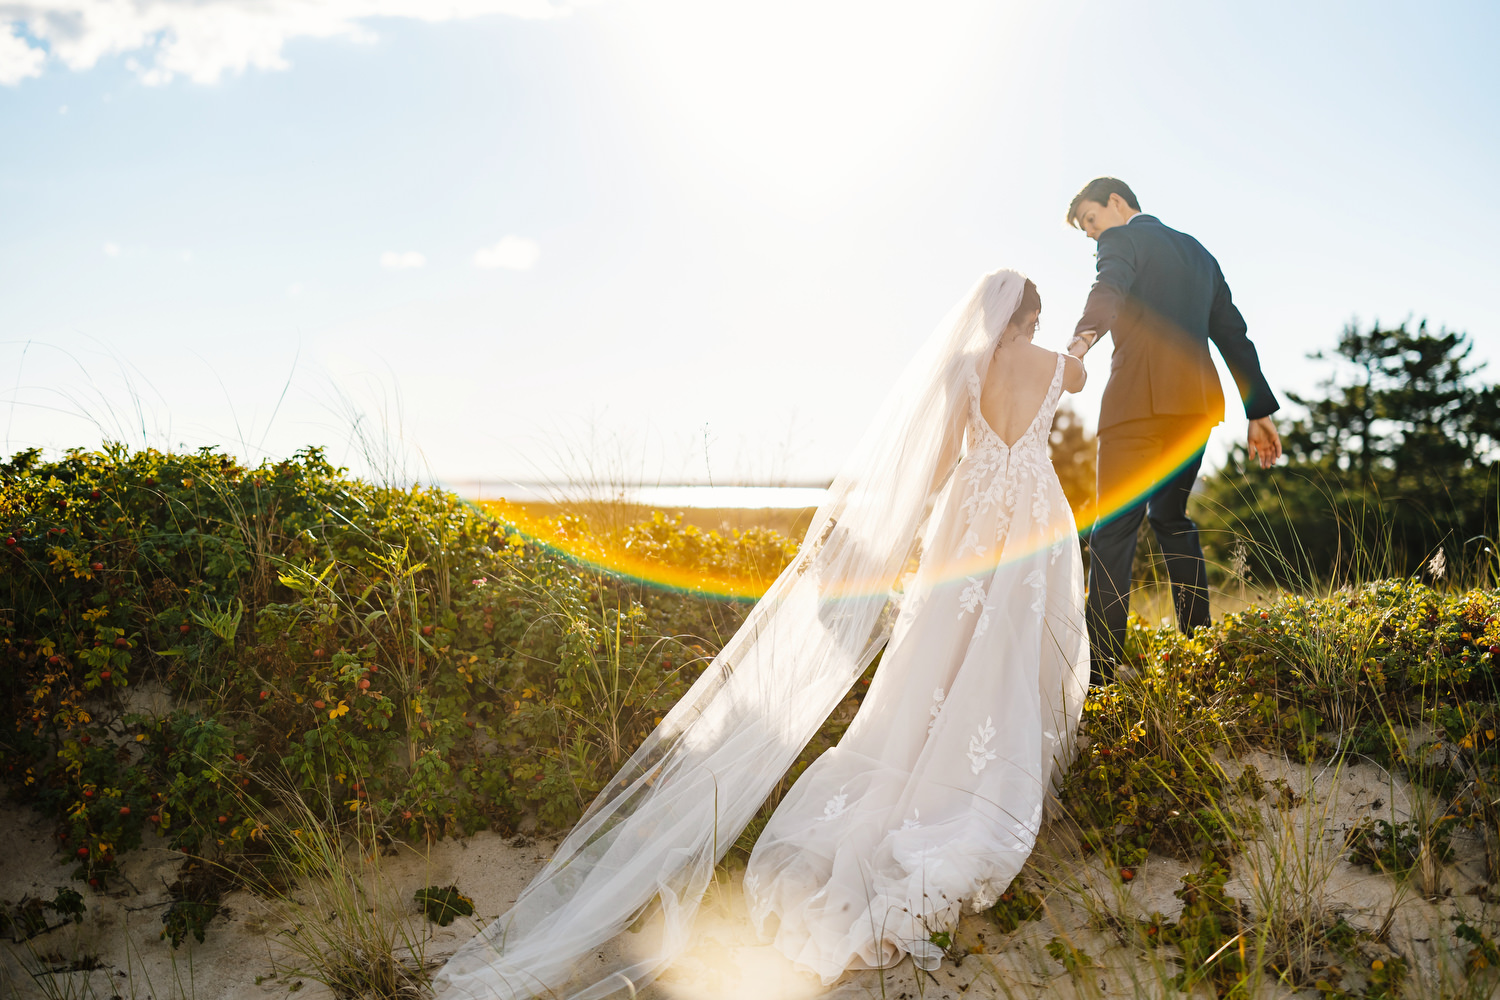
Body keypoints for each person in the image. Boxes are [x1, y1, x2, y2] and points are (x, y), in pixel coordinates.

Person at [433, 269, 1090, 999]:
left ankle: (926, 771)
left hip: (965, 521)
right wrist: (1085, 334)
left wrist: (881, 543)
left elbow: (933, 472)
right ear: (1031, 317)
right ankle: (994, 772)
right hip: (1030, 519)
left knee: (943, 654)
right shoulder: (1053, 364)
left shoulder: (961, 372)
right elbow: (1082, 375)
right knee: (1010, 646)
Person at [1064, 178, 1281, 685]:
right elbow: (1233, 333)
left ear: (1116, 202)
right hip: (1194, 410)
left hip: (1137, 406)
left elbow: (1108, 288)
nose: (1094, 236)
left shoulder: (1121, 241)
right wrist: (1259, 410)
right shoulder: (1198, 252)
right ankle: (1199, 649)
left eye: (1092, 222)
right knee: (1172, 518)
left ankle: (1101, 669)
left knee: (1114, 529)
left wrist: (1079, 344)